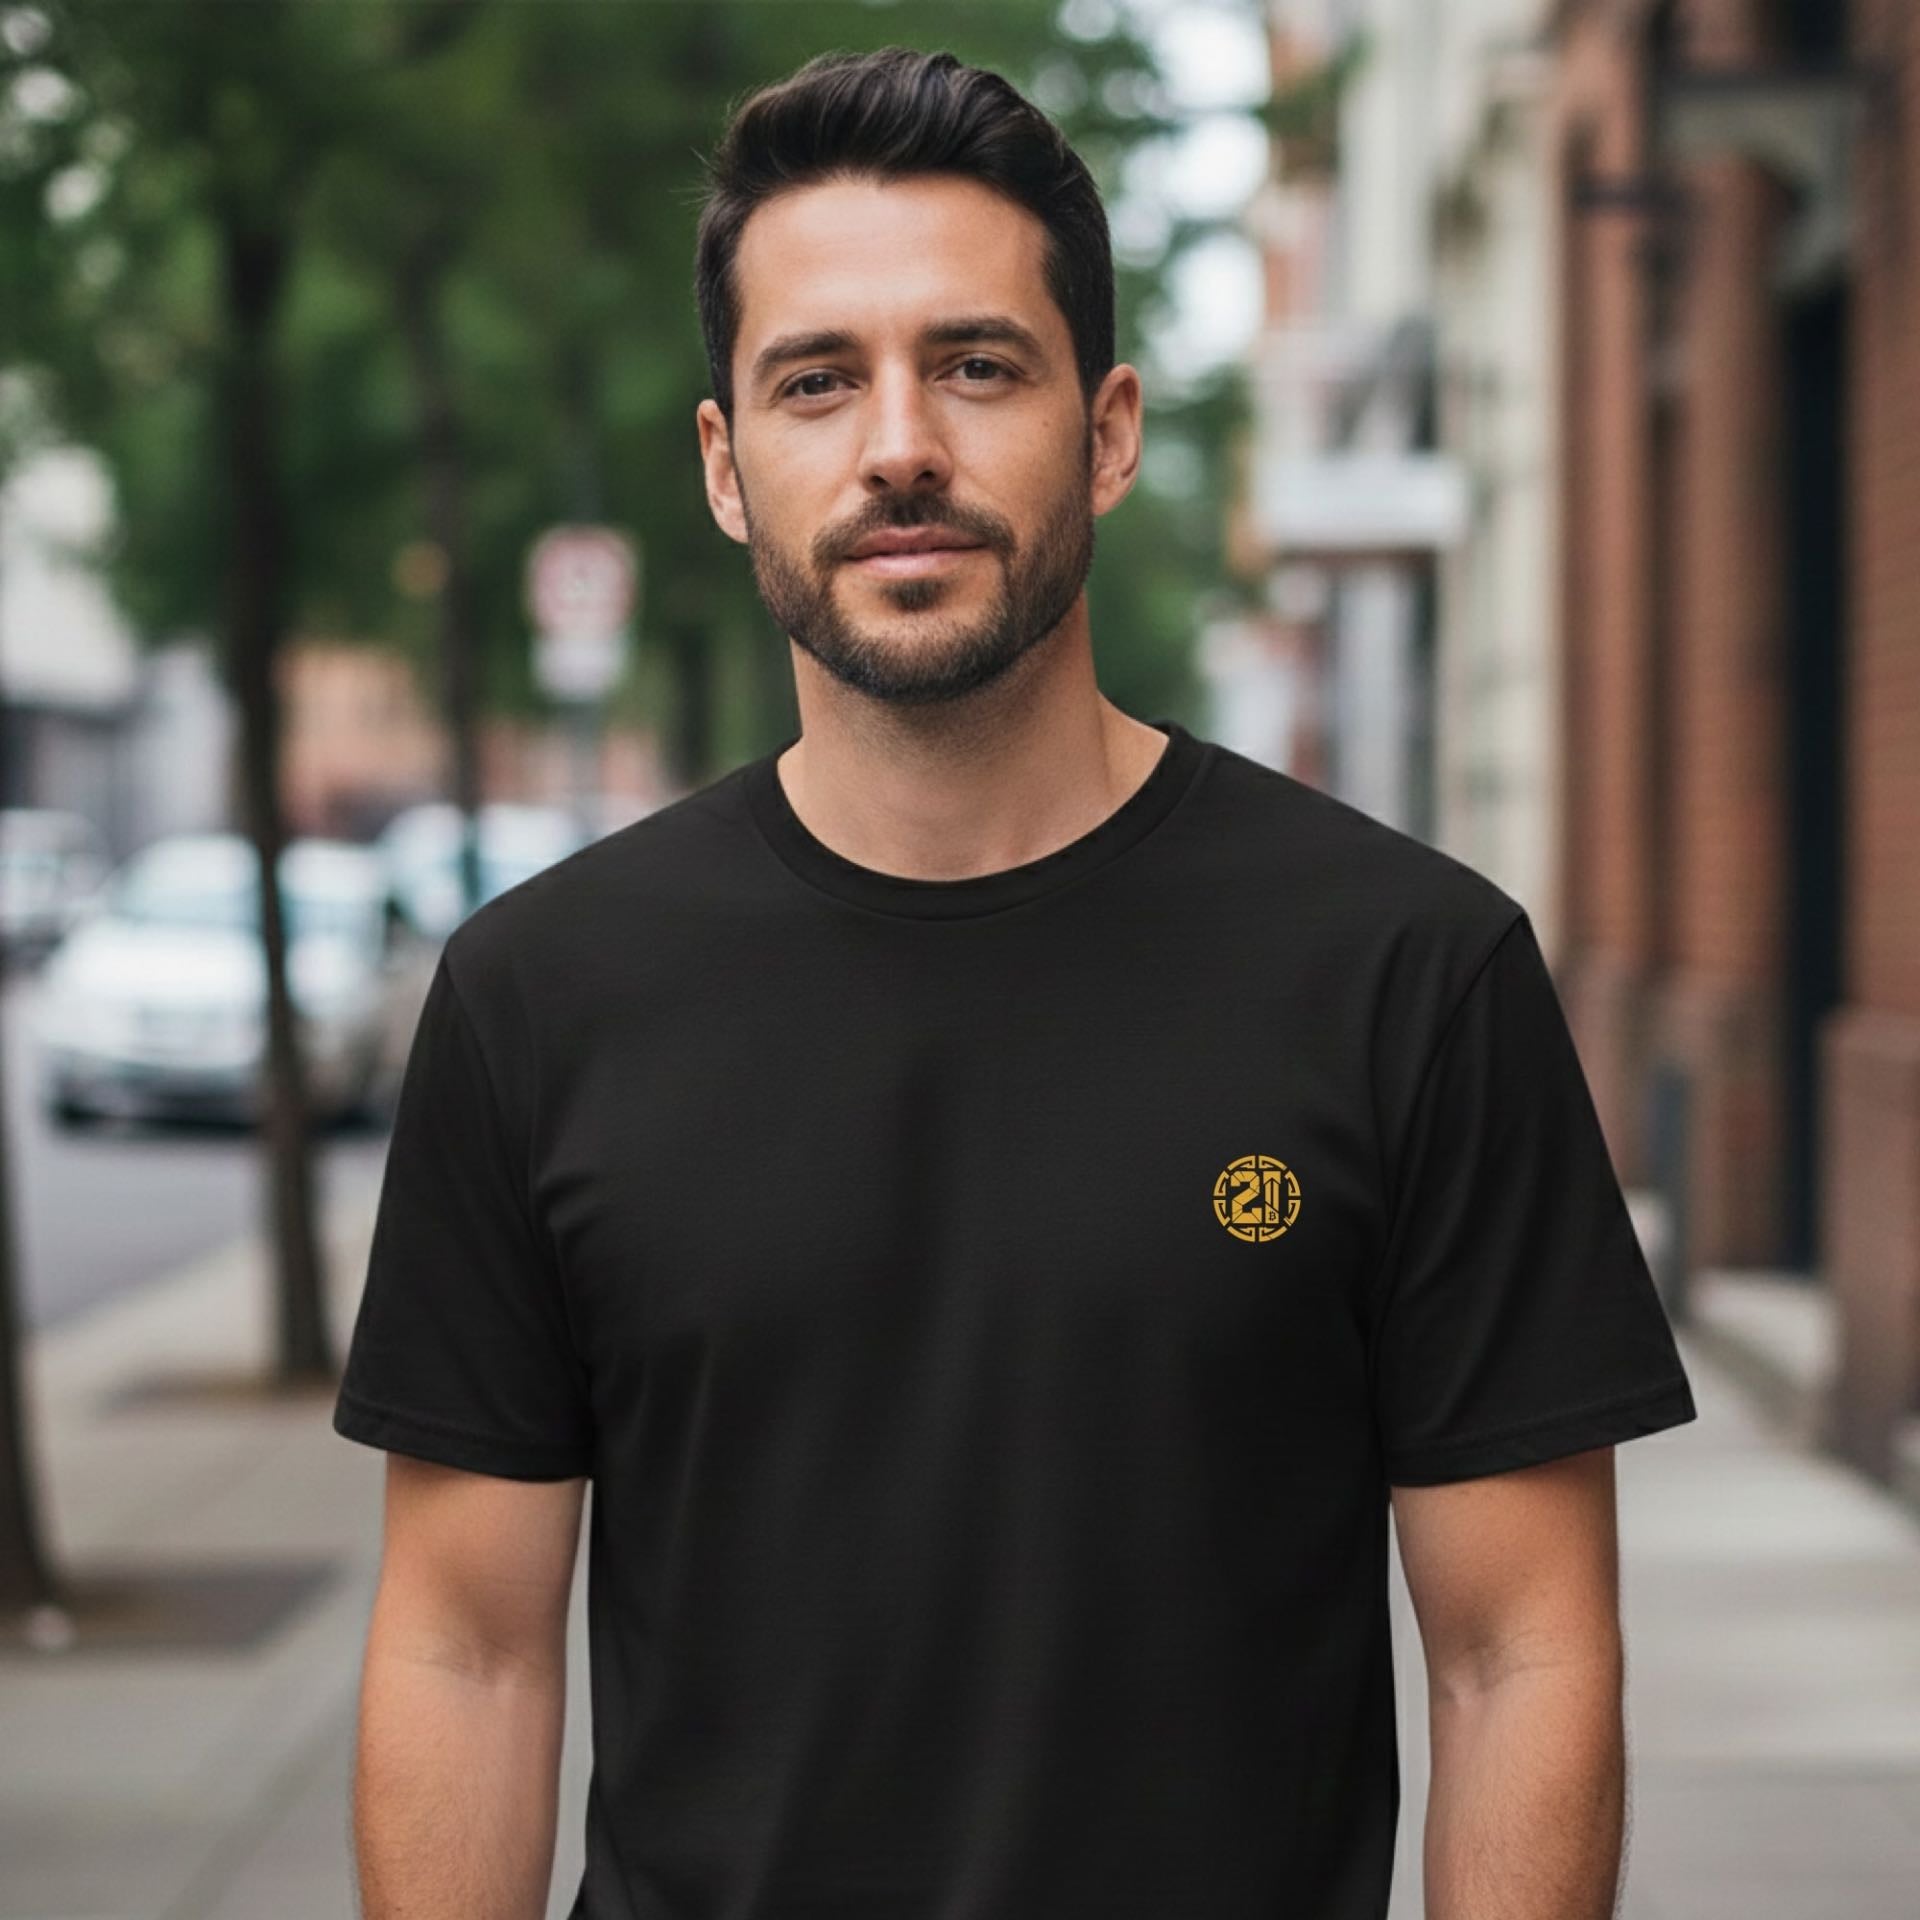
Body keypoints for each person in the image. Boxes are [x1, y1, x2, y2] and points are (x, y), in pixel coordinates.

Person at [332, 45, 1697, 1920]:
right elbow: (466, 1651)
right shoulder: (537, 997)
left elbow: (1522, 1655)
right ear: (729, 467)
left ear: (1109, 430)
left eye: (977, 365)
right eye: (819, 381)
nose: (901, 442)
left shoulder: (1408, 971)